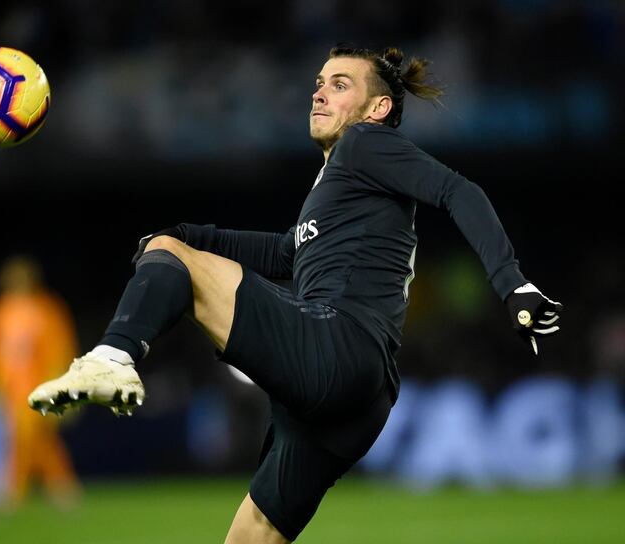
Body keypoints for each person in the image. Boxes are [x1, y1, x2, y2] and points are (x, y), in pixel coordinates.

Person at [28, 45, 563, 541]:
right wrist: (187, 236)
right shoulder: (341, 186)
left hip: (336, 348)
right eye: (318, 82)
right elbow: (288, 254)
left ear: (377, 108)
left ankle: (113, 355)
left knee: (178, 264)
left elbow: (456, 189)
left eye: (339, 84)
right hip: (358, 402)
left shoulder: (363, 144)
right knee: (252, 534)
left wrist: (513, 283)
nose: (319, 92)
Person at [0, 255, 81, 508]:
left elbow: (61, 348)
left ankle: (15, 491)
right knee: (30, 439)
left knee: (29, 437)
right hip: (10, 389)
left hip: (38, 385)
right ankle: (62, 489)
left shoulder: (47, 308)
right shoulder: (0, 310)